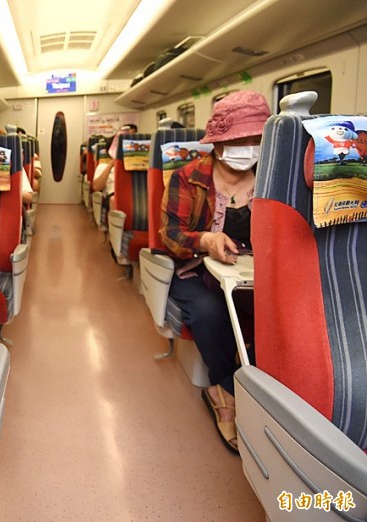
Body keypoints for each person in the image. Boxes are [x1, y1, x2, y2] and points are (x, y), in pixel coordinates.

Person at [159, 90, 270, 453]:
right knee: (211, 311)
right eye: (240, 140)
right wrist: (206, 240)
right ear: (220, 141)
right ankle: (225, 387)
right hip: (196, 270)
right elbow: (170, 236)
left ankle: (272, 394)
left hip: (258, 274)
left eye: (256, 140)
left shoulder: (273, 178)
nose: (248, 148)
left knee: (279, 313)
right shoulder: (186, 178)